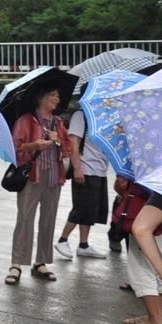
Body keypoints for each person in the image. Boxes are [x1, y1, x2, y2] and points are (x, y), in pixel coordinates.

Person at [5, 84, 73, 285]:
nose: (56, 99)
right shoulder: (26, 120)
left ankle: (41, 262)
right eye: (52, 94)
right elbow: (15, 149)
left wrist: (58, 140)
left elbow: (68, 148)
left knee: (48, 219)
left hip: (54, 176)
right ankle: (16, 263)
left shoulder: (58, 123)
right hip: (32, 176)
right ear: (40, 98)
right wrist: (34, 145)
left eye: (58, 95)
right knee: (25, 218)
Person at [54, 106, 110, 260]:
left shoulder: (102, 116)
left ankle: (83, 245)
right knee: (82, 207)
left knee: (91, 209)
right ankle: (62, 240)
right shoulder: (81, 115)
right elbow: (73, 142)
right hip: (86, 169)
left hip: (99, 169)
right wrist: (78, 168)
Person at [125, 191, 162, 324]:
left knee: (142, 265)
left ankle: (155, 321)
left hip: (155, 202)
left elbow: (141, 229)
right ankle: (154, 316)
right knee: (160, 255)